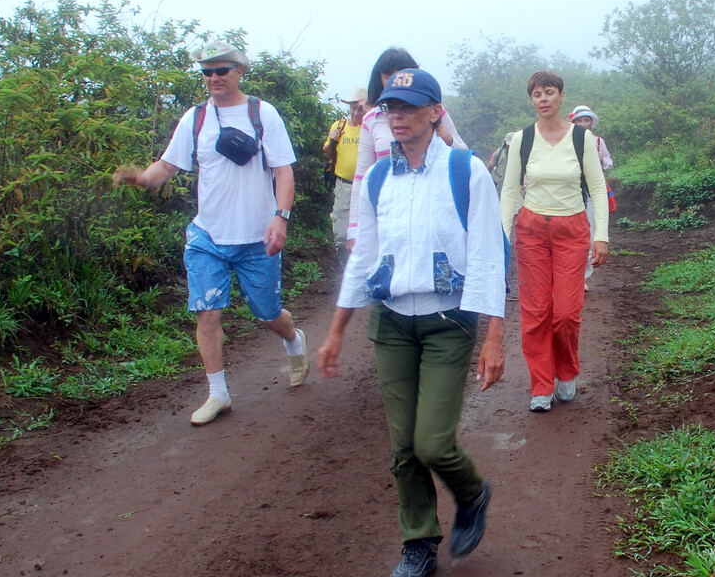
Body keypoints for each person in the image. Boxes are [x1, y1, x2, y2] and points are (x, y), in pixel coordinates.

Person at [317, 69, 506, 577]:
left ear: (434, 113)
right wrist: (335, 331)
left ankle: (472, 493)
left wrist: (494, 337)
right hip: (393, 323)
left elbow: (490, 255)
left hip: (449, 323)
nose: (395, 116)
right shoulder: (377, 179)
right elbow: (363, 260)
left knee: (432, 442)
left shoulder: (466, 171)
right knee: (403, 446)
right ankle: (418, 543)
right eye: (388, 108)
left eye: (407, 106)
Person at [114, 41, 309, 426]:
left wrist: (280, 217)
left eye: (222, 70)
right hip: (208, 236)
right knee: (207, 313)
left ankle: (294, 340)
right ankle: (218, 394)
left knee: (267, 313)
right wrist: (137, 178)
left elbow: (284, 171)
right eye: (207, 72)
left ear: (240, 71)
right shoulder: (196, 118)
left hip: (257, 237)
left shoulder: (261, 114)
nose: (214, 78)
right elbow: (166, 167)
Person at [499, 73, 609, 413]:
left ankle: (566, 371)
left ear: (561, 97)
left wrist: (600, 235)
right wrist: (503, 236)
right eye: (536, 93)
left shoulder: (582, 137)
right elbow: (510, 189)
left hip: (572, 231)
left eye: (549, 92)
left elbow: (598, 188)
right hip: (531, 230)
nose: (543, 98)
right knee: (535, 313)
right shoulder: (522, 139)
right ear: (531, 100)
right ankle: (541, 385)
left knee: (565, 313)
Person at [346, 48, 468, 250]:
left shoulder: (432, 110)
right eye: (388, 74)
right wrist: (354, 229)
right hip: (387, 209)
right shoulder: (372, 119)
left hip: (434, 203)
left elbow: (463, 152)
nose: (397, 78)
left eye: (402, 71)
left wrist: (448, 139)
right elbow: (362, 176)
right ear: (379, 79)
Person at [569, 105, 614, 284]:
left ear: (591, 122)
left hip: (593, 192)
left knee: (591, 232)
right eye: (579, 120)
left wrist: (601, 159)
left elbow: (609, 162)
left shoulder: (598, 141)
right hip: (573, 192)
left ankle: (583, 277)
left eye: (586, 120)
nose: (583, 123)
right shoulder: (567, 140)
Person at [323, 88, 366, 264]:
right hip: (344, 186)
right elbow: (327, 154)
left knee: (366, 232)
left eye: (360, 108)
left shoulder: (371, 127)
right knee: (341, 234)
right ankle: (346, 268)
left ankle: (363, 269)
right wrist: (331, 141)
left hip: (366, 187)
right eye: (352, 108)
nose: (356, 112)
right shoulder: (339, 127)